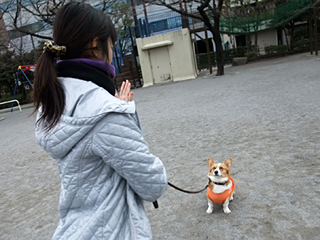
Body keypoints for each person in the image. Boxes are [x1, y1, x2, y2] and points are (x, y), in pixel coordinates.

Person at [32, 2, 167, 239]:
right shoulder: (106, 113)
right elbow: (152, 185)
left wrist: (119, 111)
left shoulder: (54, 100)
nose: (113, 53)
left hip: (75, 228)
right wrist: (122, 114)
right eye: (111, 46)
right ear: (96, 44)